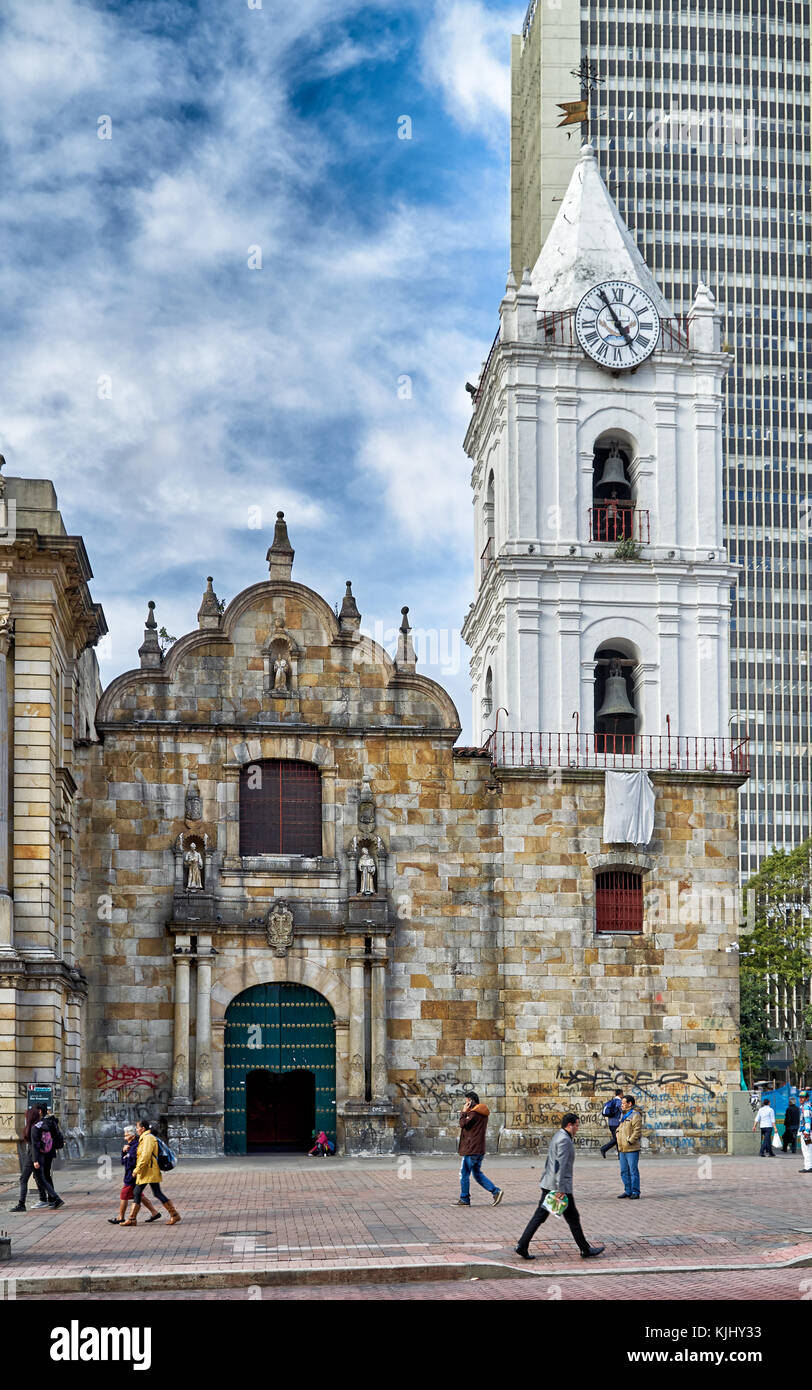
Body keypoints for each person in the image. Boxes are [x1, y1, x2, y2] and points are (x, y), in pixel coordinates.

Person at [515, 1113, 604, 1261]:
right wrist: (560, 1191)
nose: (577, 1128)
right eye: (576, 1125)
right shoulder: (564, 1140)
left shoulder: (559, 1136)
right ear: (569, 1125)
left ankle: (522, 1245)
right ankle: (585, 1249)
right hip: (558, 1186)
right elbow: (560, 1166)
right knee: (568, 1219)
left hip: (551, 1184)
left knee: (550, 1217)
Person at [121, 1120, 181, 1226]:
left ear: (143, 1128)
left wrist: (137, 1170)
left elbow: (145, 1156)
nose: (136, 1130)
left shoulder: (148, 1138)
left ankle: (132, 1218)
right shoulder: (145, 1138)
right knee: (150, 1192)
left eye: (137, 1128)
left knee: (138, 1192)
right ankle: (174, 1215)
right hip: (148, 1170)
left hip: (148, 1171)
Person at [454, 1093, 503, 1207]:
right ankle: (496, 1192)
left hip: (471, 1149)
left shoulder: (474, 1113)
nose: (465, 1103)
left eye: (466, 1101)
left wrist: (464, 1111)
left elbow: (462, 1124)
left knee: (464, 1174)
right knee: (477, 1173)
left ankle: (464, 1199)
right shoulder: (482, 1113)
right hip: (479, 1148)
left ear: (470, 1101)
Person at [109, 1126, 162, 1225]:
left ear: (132, 1136)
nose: (125, 1138)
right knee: (138, 1194)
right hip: (133, 1173)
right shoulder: (130, 1145)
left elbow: (130, 1162)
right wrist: (124, 1152)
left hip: (133, 1174)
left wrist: (126, 1155)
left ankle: (121, 1217)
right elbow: (124, 1161)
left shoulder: (134, 1146)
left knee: (124, 1194)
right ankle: (154, 1212)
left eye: (126, 1135)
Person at [9, 1103, 49, 1212]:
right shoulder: (40, 1125)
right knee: (39, 1178)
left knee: (24, 1179)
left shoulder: (34, 1127)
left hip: (32, 1156)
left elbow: (34, 1146)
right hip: (37, 1156)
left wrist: (35, 1160)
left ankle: (21, 1204)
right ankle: (46, 1198)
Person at [31, 1104, 65, 1209]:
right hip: (50, 1152)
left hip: (42, 1153)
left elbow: (36, 1143)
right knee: (46, 1175)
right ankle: (51, 1199)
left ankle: (51, 1198)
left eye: (35, 1111)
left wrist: (35, 1159)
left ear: (40, 1111)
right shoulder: (51, 1121)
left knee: (39, 1176)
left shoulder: (40, 1125)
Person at [616, 1095, 643, 1198]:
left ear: (629, 1104)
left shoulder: (635, 1115)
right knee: (624, 1171)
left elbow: (637, 1131)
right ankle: (628, 1190)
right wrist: (617, 1134)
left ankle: (635, 1192)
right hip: (622, 1148)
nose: (621, 1105)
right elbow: (619, 1128)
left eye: (623, 1103)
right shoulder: (624, 1115)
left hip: (631, 1148)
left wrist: (630, 1141)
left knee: (633, 1171)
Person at [600, 1090, 623, 1157]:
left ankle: (620, 1155)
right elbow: (621, 1109)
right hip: (616, 1123)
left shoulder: (612, 1101)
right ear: (621, 1094)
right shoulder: (618, 1101)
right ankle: (604, 1149)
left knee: (618, 1139)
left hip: (611, 1123)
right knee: (617, 1139)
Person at [799, 1091, 812, 1174]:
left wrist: (807, 1131)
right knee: (808, 1149)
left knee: (806, 1149)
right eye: (800, 1097)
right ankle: (809, 1166)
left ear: (807, 1098)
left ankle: (808, 1167)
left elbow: (807, 1119)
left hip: (806, 1132)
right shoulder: (806, 1106)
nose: (801, 1099)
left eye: (803, 1097)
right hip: (807, 1132)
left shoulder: (806, 1107)